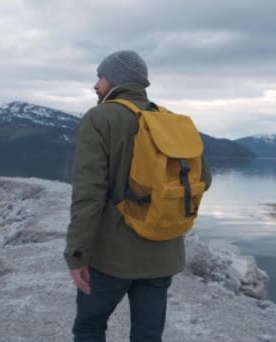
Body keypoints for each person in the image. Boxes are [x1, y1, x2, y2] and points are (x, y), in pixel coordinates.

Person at [64, 50, 212, 342]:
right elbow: (203, 179)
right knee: (148, 334)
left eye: (100, 77)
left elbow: (88, 194)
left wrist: (77, 254)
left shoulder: (100, 118)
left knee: (90, 327)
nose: (96, 85)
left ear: (116, 80)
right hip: (163, 254)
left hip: (112, 256)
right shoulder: (172, 121)